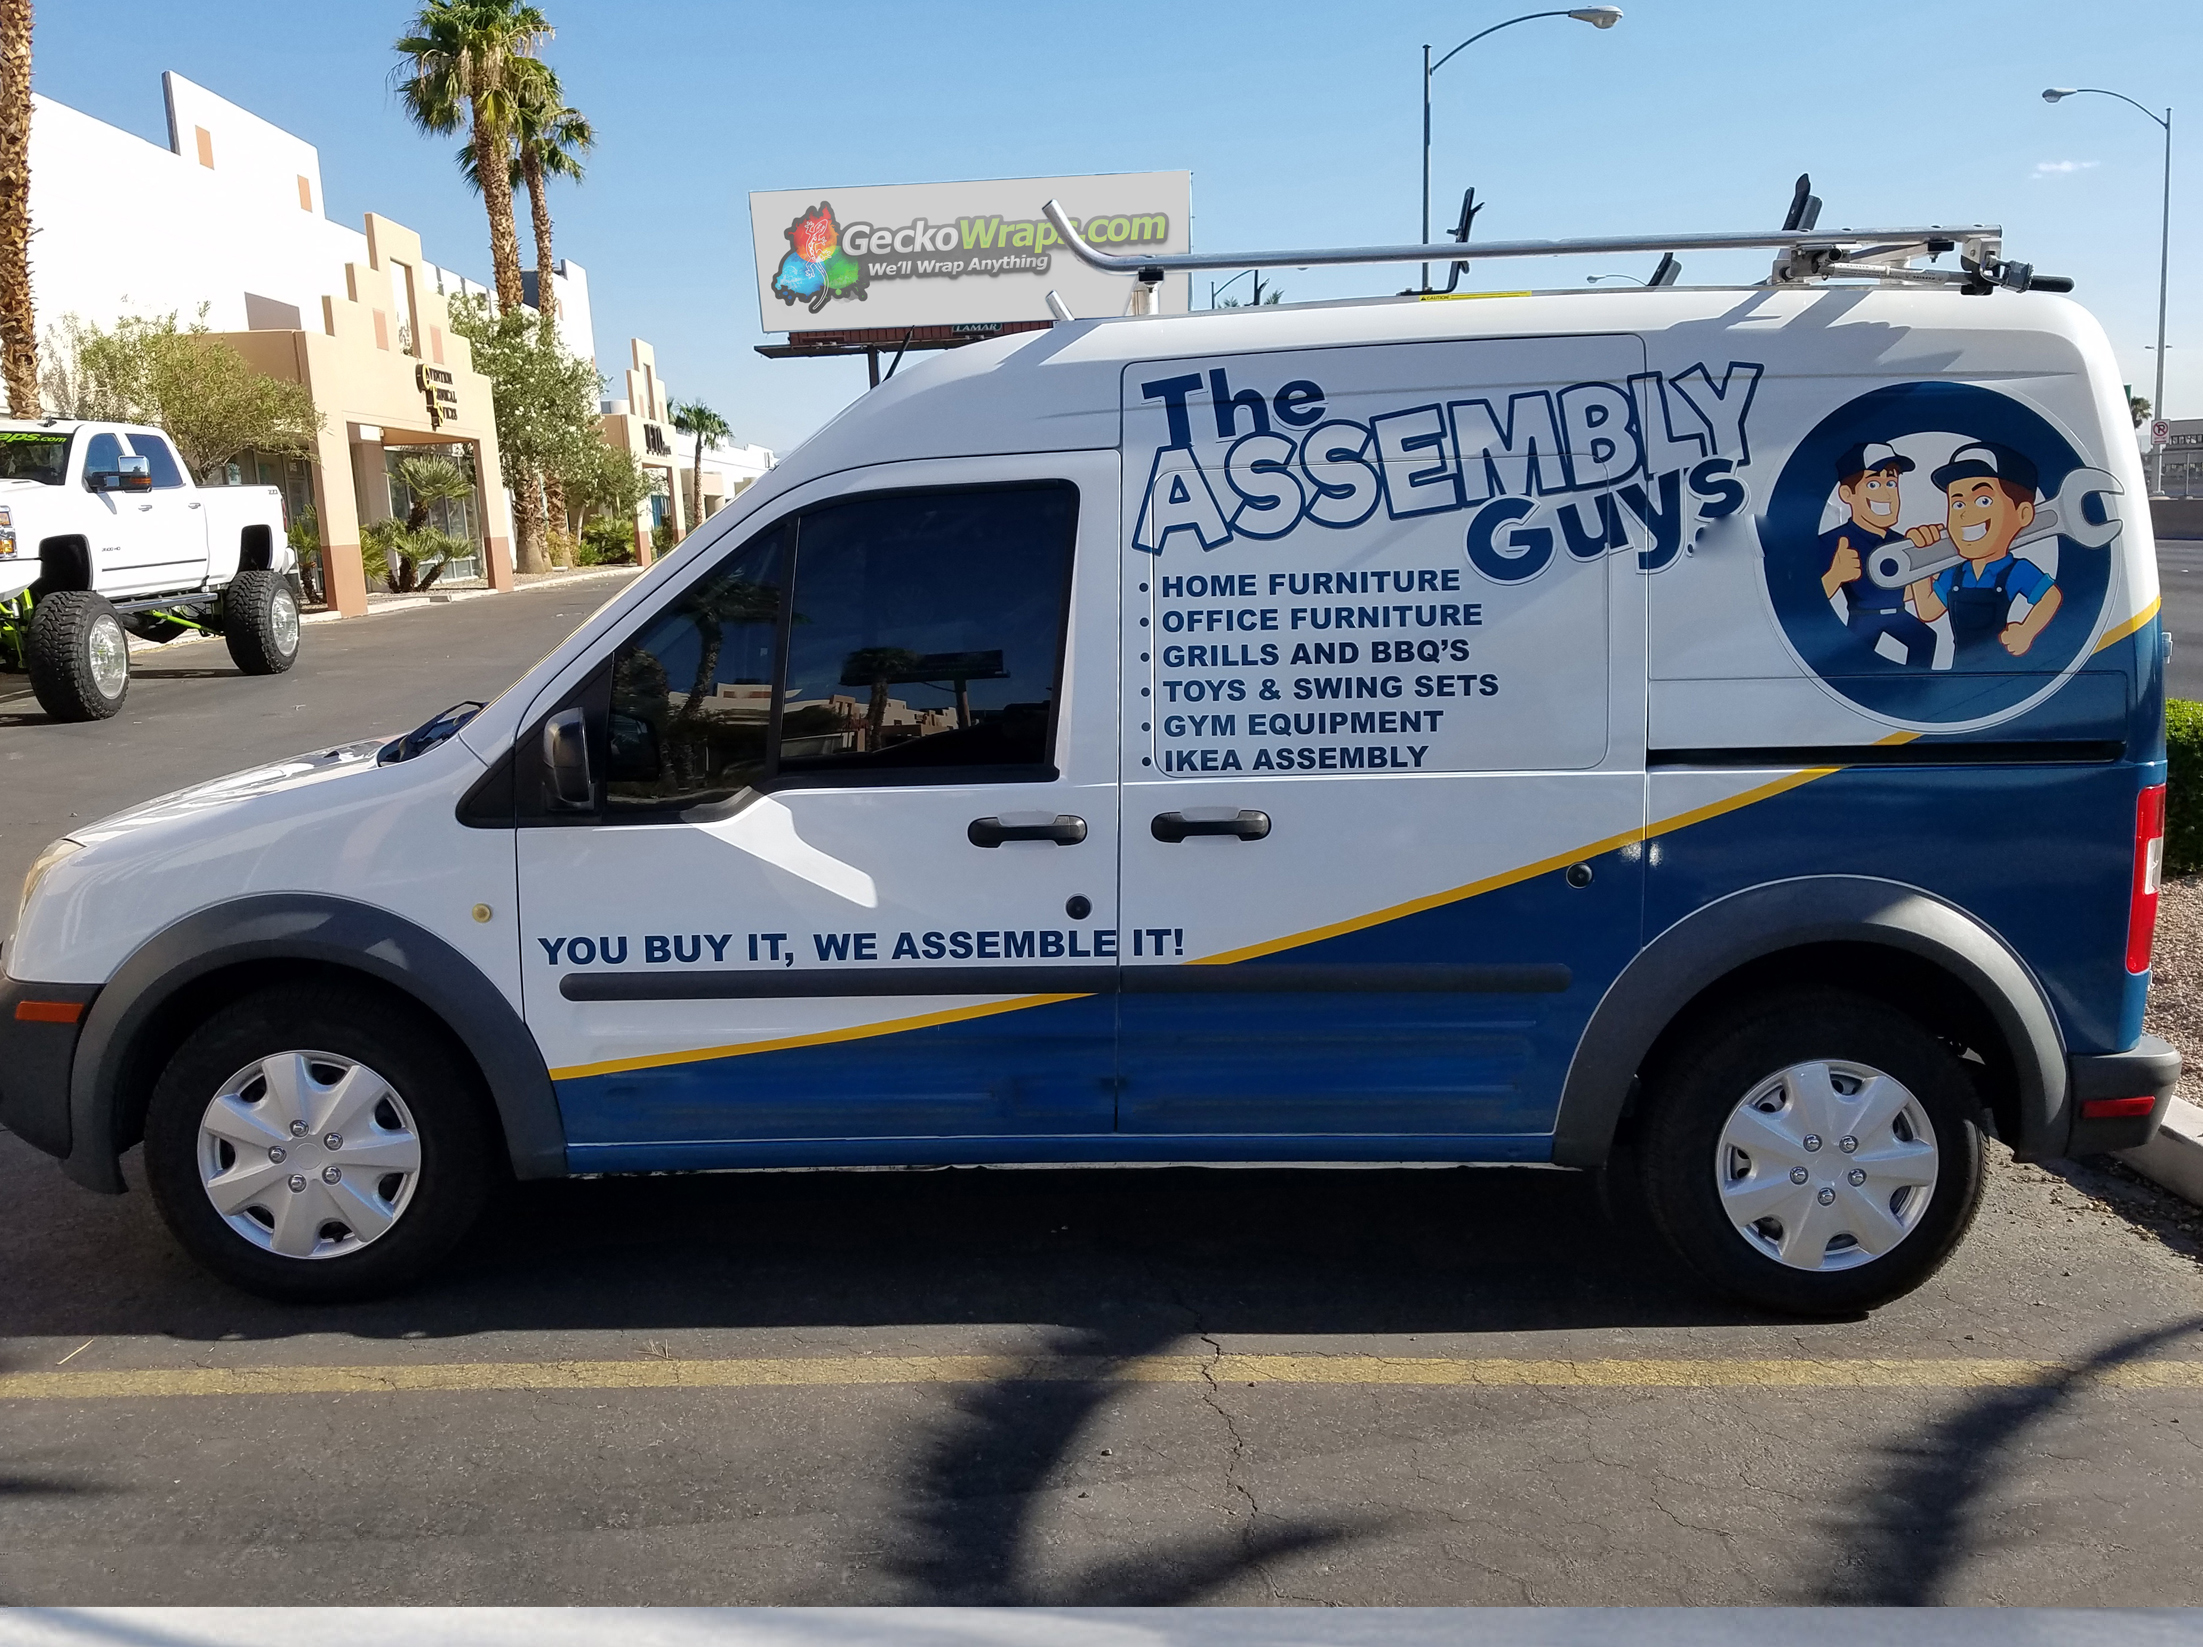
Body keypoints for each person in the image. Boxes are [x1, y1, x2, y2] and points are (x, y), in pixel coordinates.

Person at [1907, 441, 2061, 665]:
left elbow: (2051, 596)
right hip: (1959, 670)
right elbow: (1928, 611)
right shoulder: (1955, 574)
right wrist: (1918, 560)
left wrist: (2027, 631)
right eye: (1957, 504)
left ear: (2023, 514)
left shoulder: (2016, 571)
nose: (1964, 513)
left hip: (1999, 670)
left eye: (1983, 500)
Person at [1817, 442, 1937, 667]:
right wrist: (1836, 575)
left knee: (1926, 638)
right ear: (1847, 494)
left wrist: (1930, 570)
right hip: (1864, 617)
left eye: (1891, 483)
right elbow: (1807, 601)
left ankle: (1917, 686)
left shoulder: (1902, 541)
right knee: (1851, 662)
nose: (1886, 493)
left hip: (1898, 614)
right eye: (1873, 484)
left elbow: (1902, 589)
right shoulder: (1833, 541)